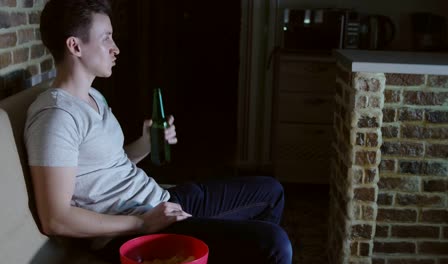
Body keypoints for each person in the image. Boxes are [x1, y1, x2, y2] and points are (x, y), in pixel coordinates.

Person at [24, 0, 292, 263]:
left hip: (158, 201)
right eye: (106, 38)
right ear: (75, 46)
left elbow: (107, 168)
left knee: (271, 192)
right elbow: (55, 218)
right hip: (131, 233)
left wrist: (146, 143)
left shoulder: (93, 96)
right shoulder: (57, 116)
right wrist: (141, 223)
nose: (115, 48)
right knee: (273, 244)